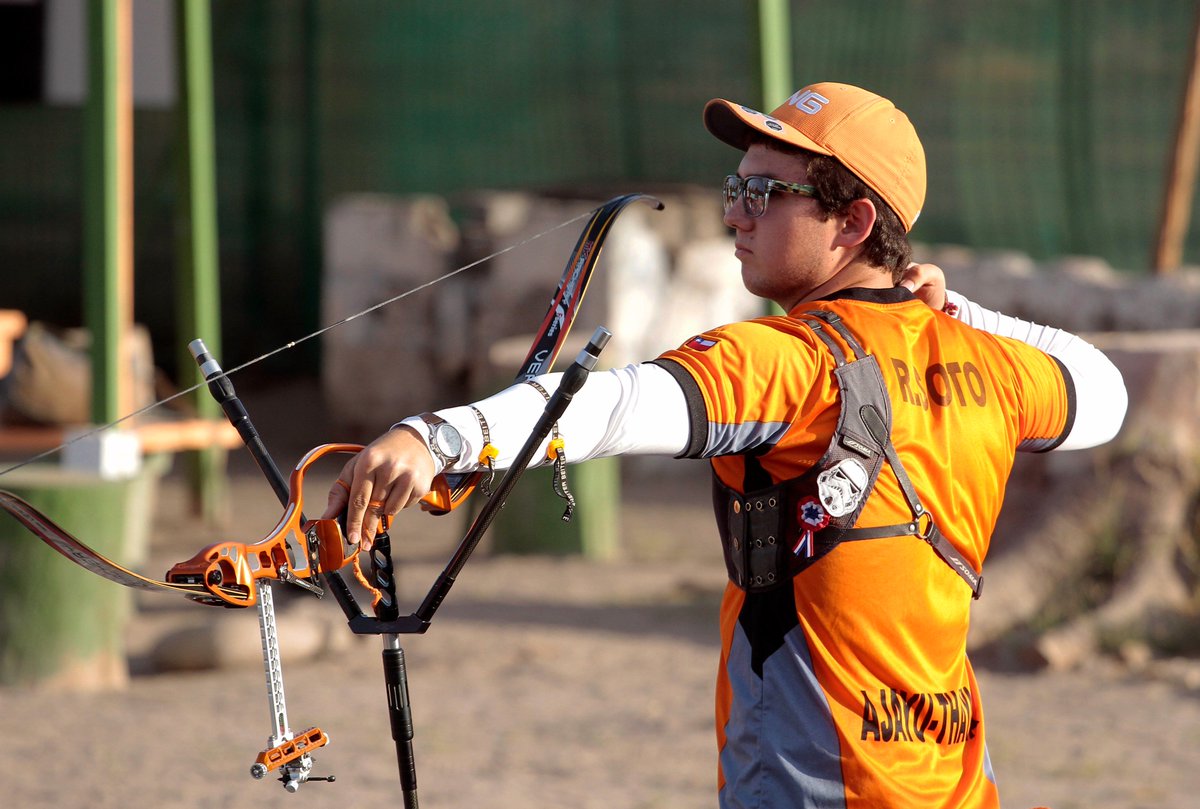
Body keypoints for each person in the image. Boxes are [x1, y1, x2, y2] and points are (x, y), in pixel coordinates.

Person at [323, 82, 1127, 808]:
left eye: (766, 193)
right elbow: (1104, 389)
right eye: (735, 187)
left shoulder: (793, 356)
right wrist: (965, 310)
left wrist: (436, 437)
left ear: (855, 222)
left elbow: (614, 404)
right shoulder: (991, 364)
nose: (735, 213)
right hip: (954, 787)